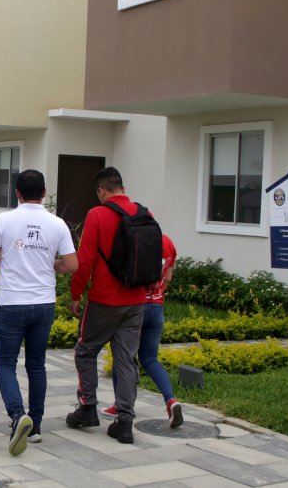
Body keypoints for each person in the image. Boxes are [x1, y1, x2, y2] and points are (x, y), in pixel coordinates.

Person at [66, 167, 172, 444]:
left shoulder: (97, 214)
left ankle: (88, 407)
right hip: (137, 300)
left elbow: (84, 260)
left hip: (104, 300)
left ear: (101, 190)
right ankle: (125, 422)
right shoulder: (144, 213)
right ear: (122, 188)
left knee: (85, 351)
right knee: (126, 359)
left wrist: (76, 294)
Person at [0, 169, 78, 456]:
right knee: (36, 365)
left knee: (5, 364)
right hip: (43, 304)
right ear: (45, 193)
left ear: (17, 193)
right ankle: (34, 426)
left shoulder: (5, 219)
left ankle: (16, 415)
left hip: (12, 303)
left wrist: (9, 261)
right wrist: (53, 266)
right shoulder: (57, 223)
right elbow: (72, 264)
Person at [100, 233, 183, 429]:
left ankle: (120, 406)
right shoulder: (169, 242)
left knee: (123, 358)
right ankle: (171, 400)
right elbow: (169, 276)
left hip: (134, 307)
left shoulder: (136, 239)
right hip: (157, 307)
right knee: (150, 359)